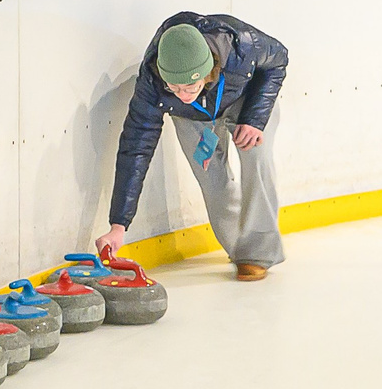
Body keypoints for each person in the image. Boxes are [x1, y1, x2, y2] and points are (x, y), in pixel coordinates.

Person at [97, 16, 290, 281]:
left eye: (190, 86)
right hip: (193, 117)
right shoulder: (152, 86)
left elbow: (278, 59)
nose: (182, 95)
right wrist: (118, 225)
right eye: (173, 87)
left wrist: (255, 120)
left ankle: (258, 253)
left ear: (207, 69)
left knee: (256, 158)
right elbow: (135, 149)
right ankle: (240, 251)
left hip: (246, 98)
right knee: (211, 179)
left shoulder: (241, 47)